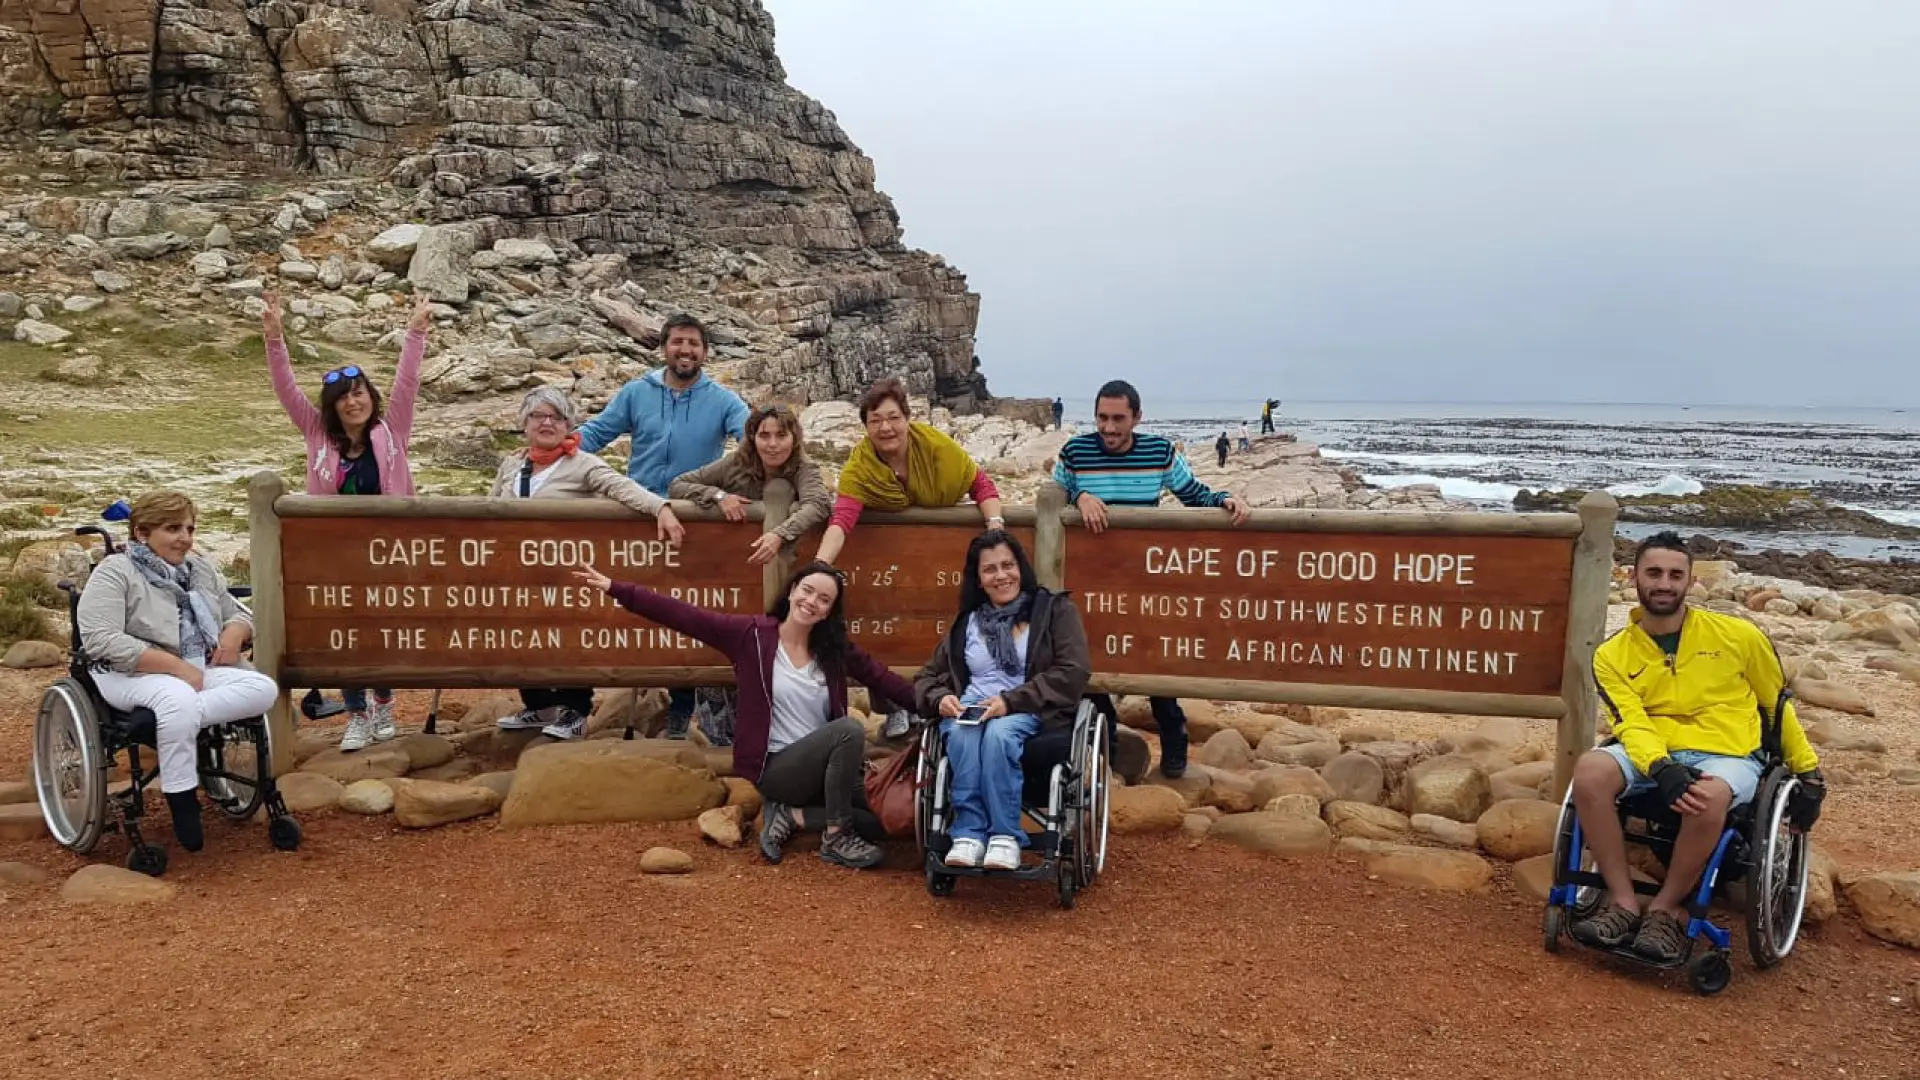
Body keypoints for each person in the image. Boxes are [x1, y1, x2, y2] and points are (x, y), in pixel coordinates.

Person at [1568, 531, 1825, 962]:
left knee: (1707, 796)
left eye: (1674, 574)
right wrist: (1661, 767)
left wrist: (1808, 773)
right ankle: (1623, 902)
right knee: (1590, 774)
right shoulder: (1611, 655)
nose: (1664, 583)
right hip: (1651, 748)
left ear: (1690, 581)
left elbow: (1776, 707)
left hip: (1728, 753)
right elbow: (1631, 721)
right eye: (1653, 573)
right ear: (1634, 578)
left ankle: (1668, 908)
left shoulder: (1739, 637)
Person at [571, 560, 916, 870]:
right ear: (792, 591)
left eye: (823, 599)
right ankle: (836, 837)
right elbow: (684, 615)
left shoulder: (834, 651)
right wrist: (617, 589)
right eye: (807, 590)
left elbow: (883, 678)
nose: (811, 602)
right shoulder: (751, 636)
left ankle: (793, 817)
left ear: (829, 611)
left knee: (890, 820)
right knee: (849, 730)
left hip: (826, 773)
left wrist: (940, 704)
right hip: (779, 768)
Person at [1053, 380, 1249, 779]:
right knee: (1089, 660)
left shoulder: (1159, 452)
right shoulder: (1076, 451)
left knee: (1153, 657)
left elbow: (1192, 494)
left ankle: (1173, 740)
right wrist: (1079, 498)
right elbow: (1052, 495)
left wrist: (1223, 499)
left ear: (1137, 418)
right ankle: (1104, 741)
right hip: (1092, 579)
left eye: (1118, 419)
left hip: (1144, 578)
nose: (1108, 428)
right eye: (1102, 418)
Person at [265, 291, 431, 751]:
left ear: (368, 397)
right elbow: (286, 390)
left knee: (381, 628)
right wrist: (274, 338)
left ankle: (382, 703)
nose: (352, 403)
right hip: (336, 553)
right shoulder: (316, 432)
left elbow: (408, 382)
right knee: (345, 633)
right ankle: (355, 712)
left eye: (358, 393)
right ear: (332, 406)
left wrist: (416, 329)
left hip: (388, 550)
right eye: (343, 398)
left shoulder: (392, 428)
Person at [76, 491, 279, 852]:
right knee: (177, 698)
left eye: (189, 528)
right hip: (129, 673)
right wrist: (173, 666)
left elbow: (236, 611)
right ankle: (182, 798)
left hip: (196, 666)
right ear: (141, 532)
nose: (185, 538)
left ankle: (170, 723)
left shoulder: (198, 568)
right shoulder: (116, 572)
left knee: (263, 689)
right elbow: (100, 639)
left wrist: (235, 633)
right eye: (173, 528)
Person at [577, 312, 749, 737]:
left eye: (694, 343)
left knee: (689, 610)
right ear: (664, 347)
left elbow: (752, 440)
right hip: (640, 515)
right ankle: (641, 700)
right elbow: (597, 433)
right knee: (643, 606)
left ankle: (682, 706)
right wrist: (553, 447)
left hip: (694, 520)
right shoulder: (637, 392)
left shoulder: (723, 399)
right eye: (678, 342)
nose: (685, 350)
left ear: (705, 352)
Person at [490, 387, 684, 741]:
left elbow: (621, 487)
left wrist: (661, 507)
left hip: (564, 574)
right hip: (517, 571)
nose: (547, 422)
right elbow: (487, 509)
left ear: (569, 424)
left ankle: (574, 709)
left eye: (556, 416)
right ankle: (538, 704)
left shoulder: (582, 463)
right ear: (524, 422)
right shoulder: (513, 463)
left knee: (567, 636)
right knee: (521, 636)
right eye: (538, 416)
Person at [913, 532, 1090, 870]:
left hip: (1029, 707)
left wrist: (1009, 702)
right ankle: (968, 834)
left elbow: (1073, 671)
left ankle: (1005, 836)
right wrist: (941, 698)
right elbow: (925, 678)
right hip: (971, 707)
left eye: (1007, 565)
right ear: (978, 580)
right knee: (962, 733)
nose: (1001, 576)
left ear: (1020, 568)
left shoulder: (1054, 610)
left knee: (998, 735)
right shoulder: (966, 622)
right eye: (990, 570)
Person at [814, 376, 1005, 565]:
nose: (885, 427)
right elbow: (841, 521)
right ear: (866, 426)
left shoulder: (936, 446)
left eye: (894, 418)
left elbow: (981, 485)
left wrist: (995, 528)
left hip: (946, 558)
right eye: (875, 421)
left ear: (907, 419)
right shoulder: (860, 468)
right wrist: (820, 566)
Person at [668, 403, 832, 568]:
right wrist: (718, 496)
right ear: (753, 438)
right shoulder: (736, 462)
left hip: (790, 561)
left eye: (781, 435)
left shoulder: (804, 466)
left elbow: (818, 503)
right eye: (764, 436)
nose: (772, 444)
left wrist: (780, 534)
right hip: (734, 560)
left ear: (794, 438)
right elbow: (678, 485)